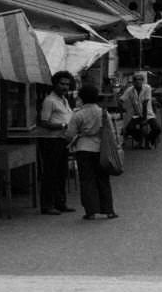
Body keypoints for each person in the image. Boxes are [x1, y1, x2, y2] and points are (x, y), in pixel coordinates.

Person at [65, 83, 118, 220]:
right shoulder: (103, 113)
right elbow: (111, 132)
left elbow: (69, 134)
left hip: (84, 149)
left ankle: (90, 211)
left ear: (81, 98)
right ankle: (109, 210)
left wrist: (76, 137)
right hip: (101, 149)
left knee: (87, 180)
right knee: (103, 179)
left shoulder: (78, 114)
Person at [37, 71, 77, 215]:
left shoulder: (64, 100)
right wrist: (62, 126)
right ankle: (47, 205)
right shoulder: (50, 101)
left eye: (67, 84)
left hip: (63, 140)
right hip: (51, 141)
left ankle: (60, 203)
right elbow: (44, 122)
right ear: (55, 84)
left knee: (62, 173)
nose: (65, 87)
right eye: (62, 84)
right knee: (50, 173)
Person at [119, 71, 161, 149]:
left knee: (157, 129)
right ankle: (140, 139)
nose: (138, 81)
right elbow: (121, 100)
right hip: (136, 114)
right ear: (133, 82)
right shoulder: (130, 90)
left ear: (142, 81)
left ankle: (148, 139)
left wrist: (144, 119)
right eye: (136, 80)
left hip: (148, 114)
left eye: (140, 79)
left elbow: (145, 104)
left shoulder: (147, 88)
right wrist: (123, 110)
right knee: (129, 128)